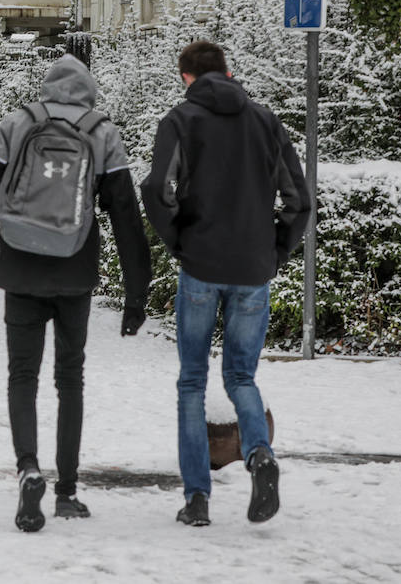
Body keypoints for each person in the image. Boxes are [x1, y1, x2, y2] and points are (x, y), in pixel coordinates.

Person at [0, 53, 152, 534]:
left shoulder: (18, 124)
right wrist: (136, 296)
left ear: (46, 86)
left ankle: (28, 469)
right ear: (89, 90)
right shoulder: (102, 133)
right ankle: (66, 491)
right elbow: (126, 216)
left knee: (22, 375)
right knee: (70, 379)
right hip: (75, 271)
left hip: (20, 267)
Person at [140, 40, 311, 528]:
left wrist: (179, 242)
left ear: (186, 78)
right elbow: (299, 198)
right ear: (229, 72)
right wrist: (276, 250)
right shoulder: (266, 121)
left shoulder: (180, 121)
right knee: (241, 377)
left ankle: (197, 499)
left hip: (201, 267)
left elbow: (157, 189)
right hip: (254, 270)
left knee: (192, 381)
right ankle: (260, 455)